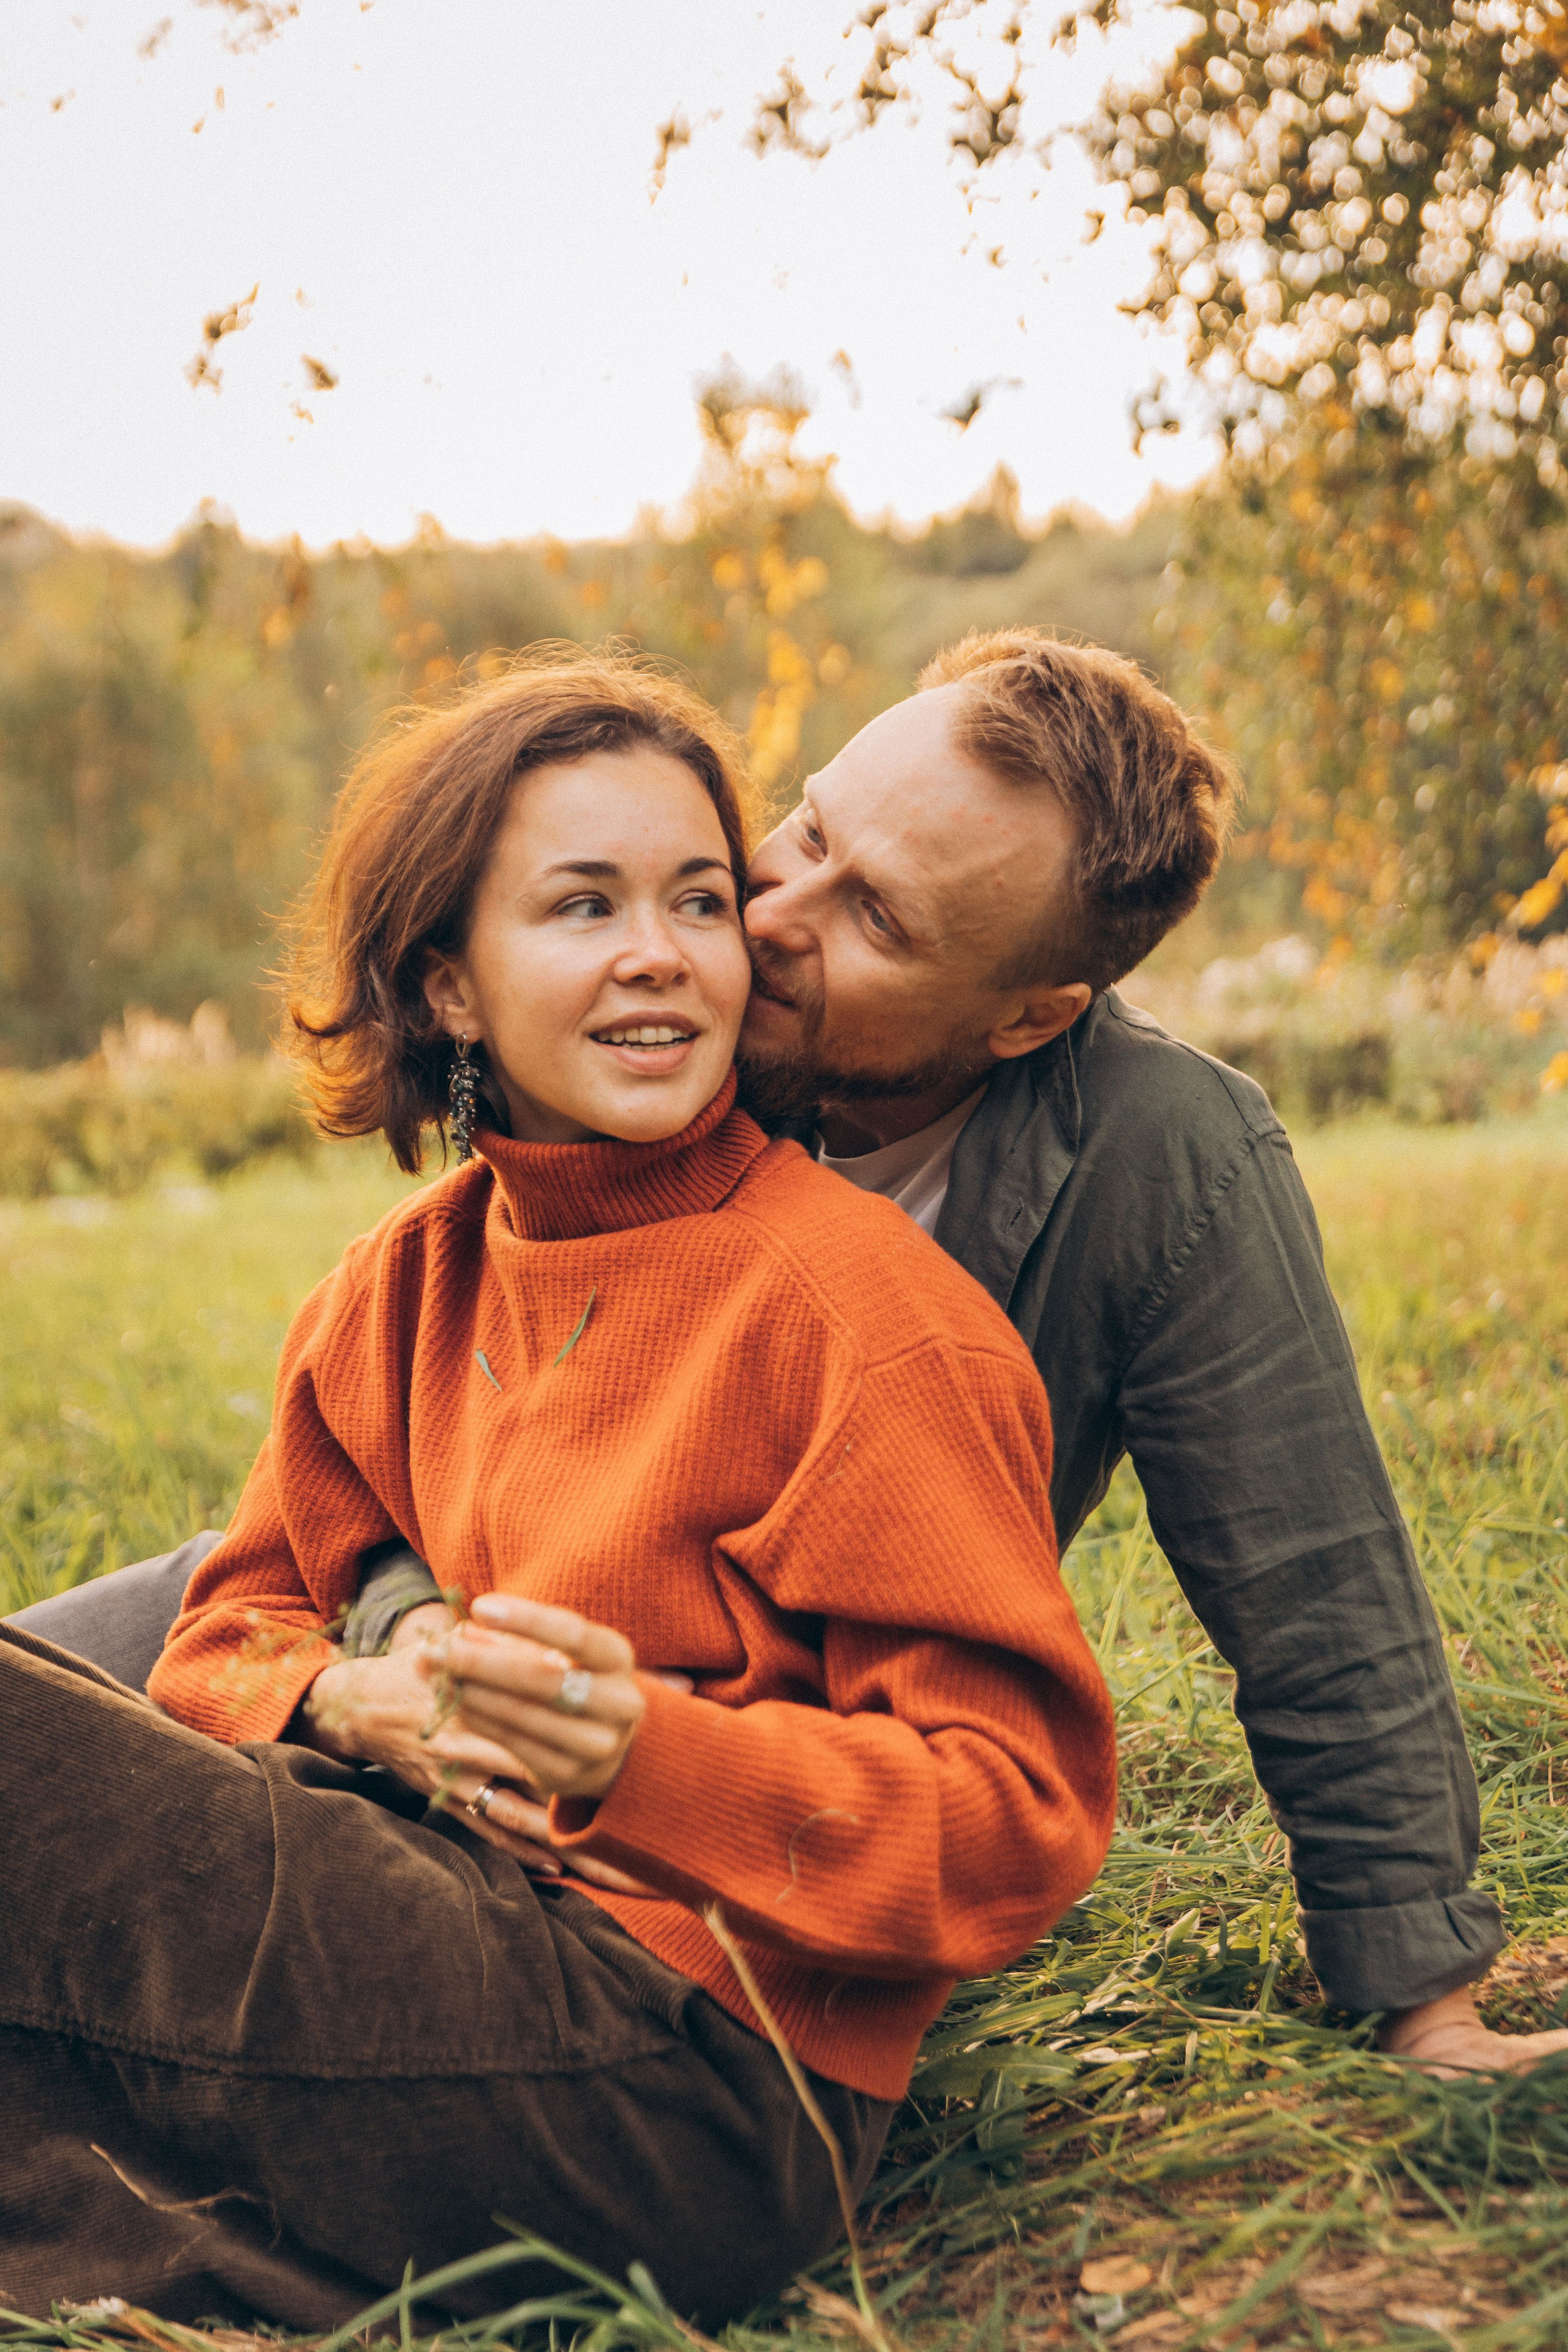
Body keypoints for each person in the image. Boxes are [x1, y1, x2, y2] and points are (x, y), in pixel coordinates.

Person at [20, 626, 1561, 2077]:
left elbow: (1312, 1576)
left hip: (729, 1813)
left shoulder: (1157, 1162)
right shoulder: (676, 1022)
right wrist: (385, 1639)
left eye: (873, 916)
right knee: (89, 1686)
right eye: (806, 834)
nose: (760, 923)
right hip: (446, 1612)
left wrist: (1415, 1989)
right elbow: (432, 1398)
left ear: (1027, 1017)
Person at [0, 651, 1115, 2327]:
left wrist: (649, 1756)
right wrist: (355, 1694)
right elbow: (238, 1611)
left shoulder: (854, 1321)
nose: (661, 952)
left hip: (684, 2086)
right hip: (424, 1908)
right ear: (450, 986)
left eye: (697, 899)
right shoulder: (405, 1281)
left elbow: (1013, 1822)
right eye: (582, 906)